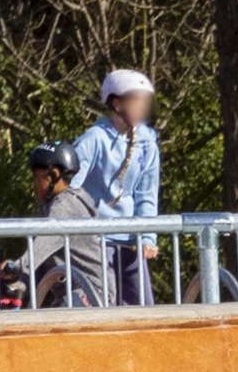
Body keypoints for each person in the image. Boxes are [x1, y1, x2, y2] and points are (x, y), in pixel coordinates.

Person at [55, 68, 160, 307]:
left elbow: (147, 194)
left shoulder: (147, 144)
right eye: (136, 101)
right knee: (105, 302)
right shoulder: (93, 139)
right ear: (116, 103)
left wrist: (148, 237)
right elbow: (70, 189)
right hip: (96, 239)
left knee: (143, 306)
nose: (142, 108)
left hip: (130, 238)